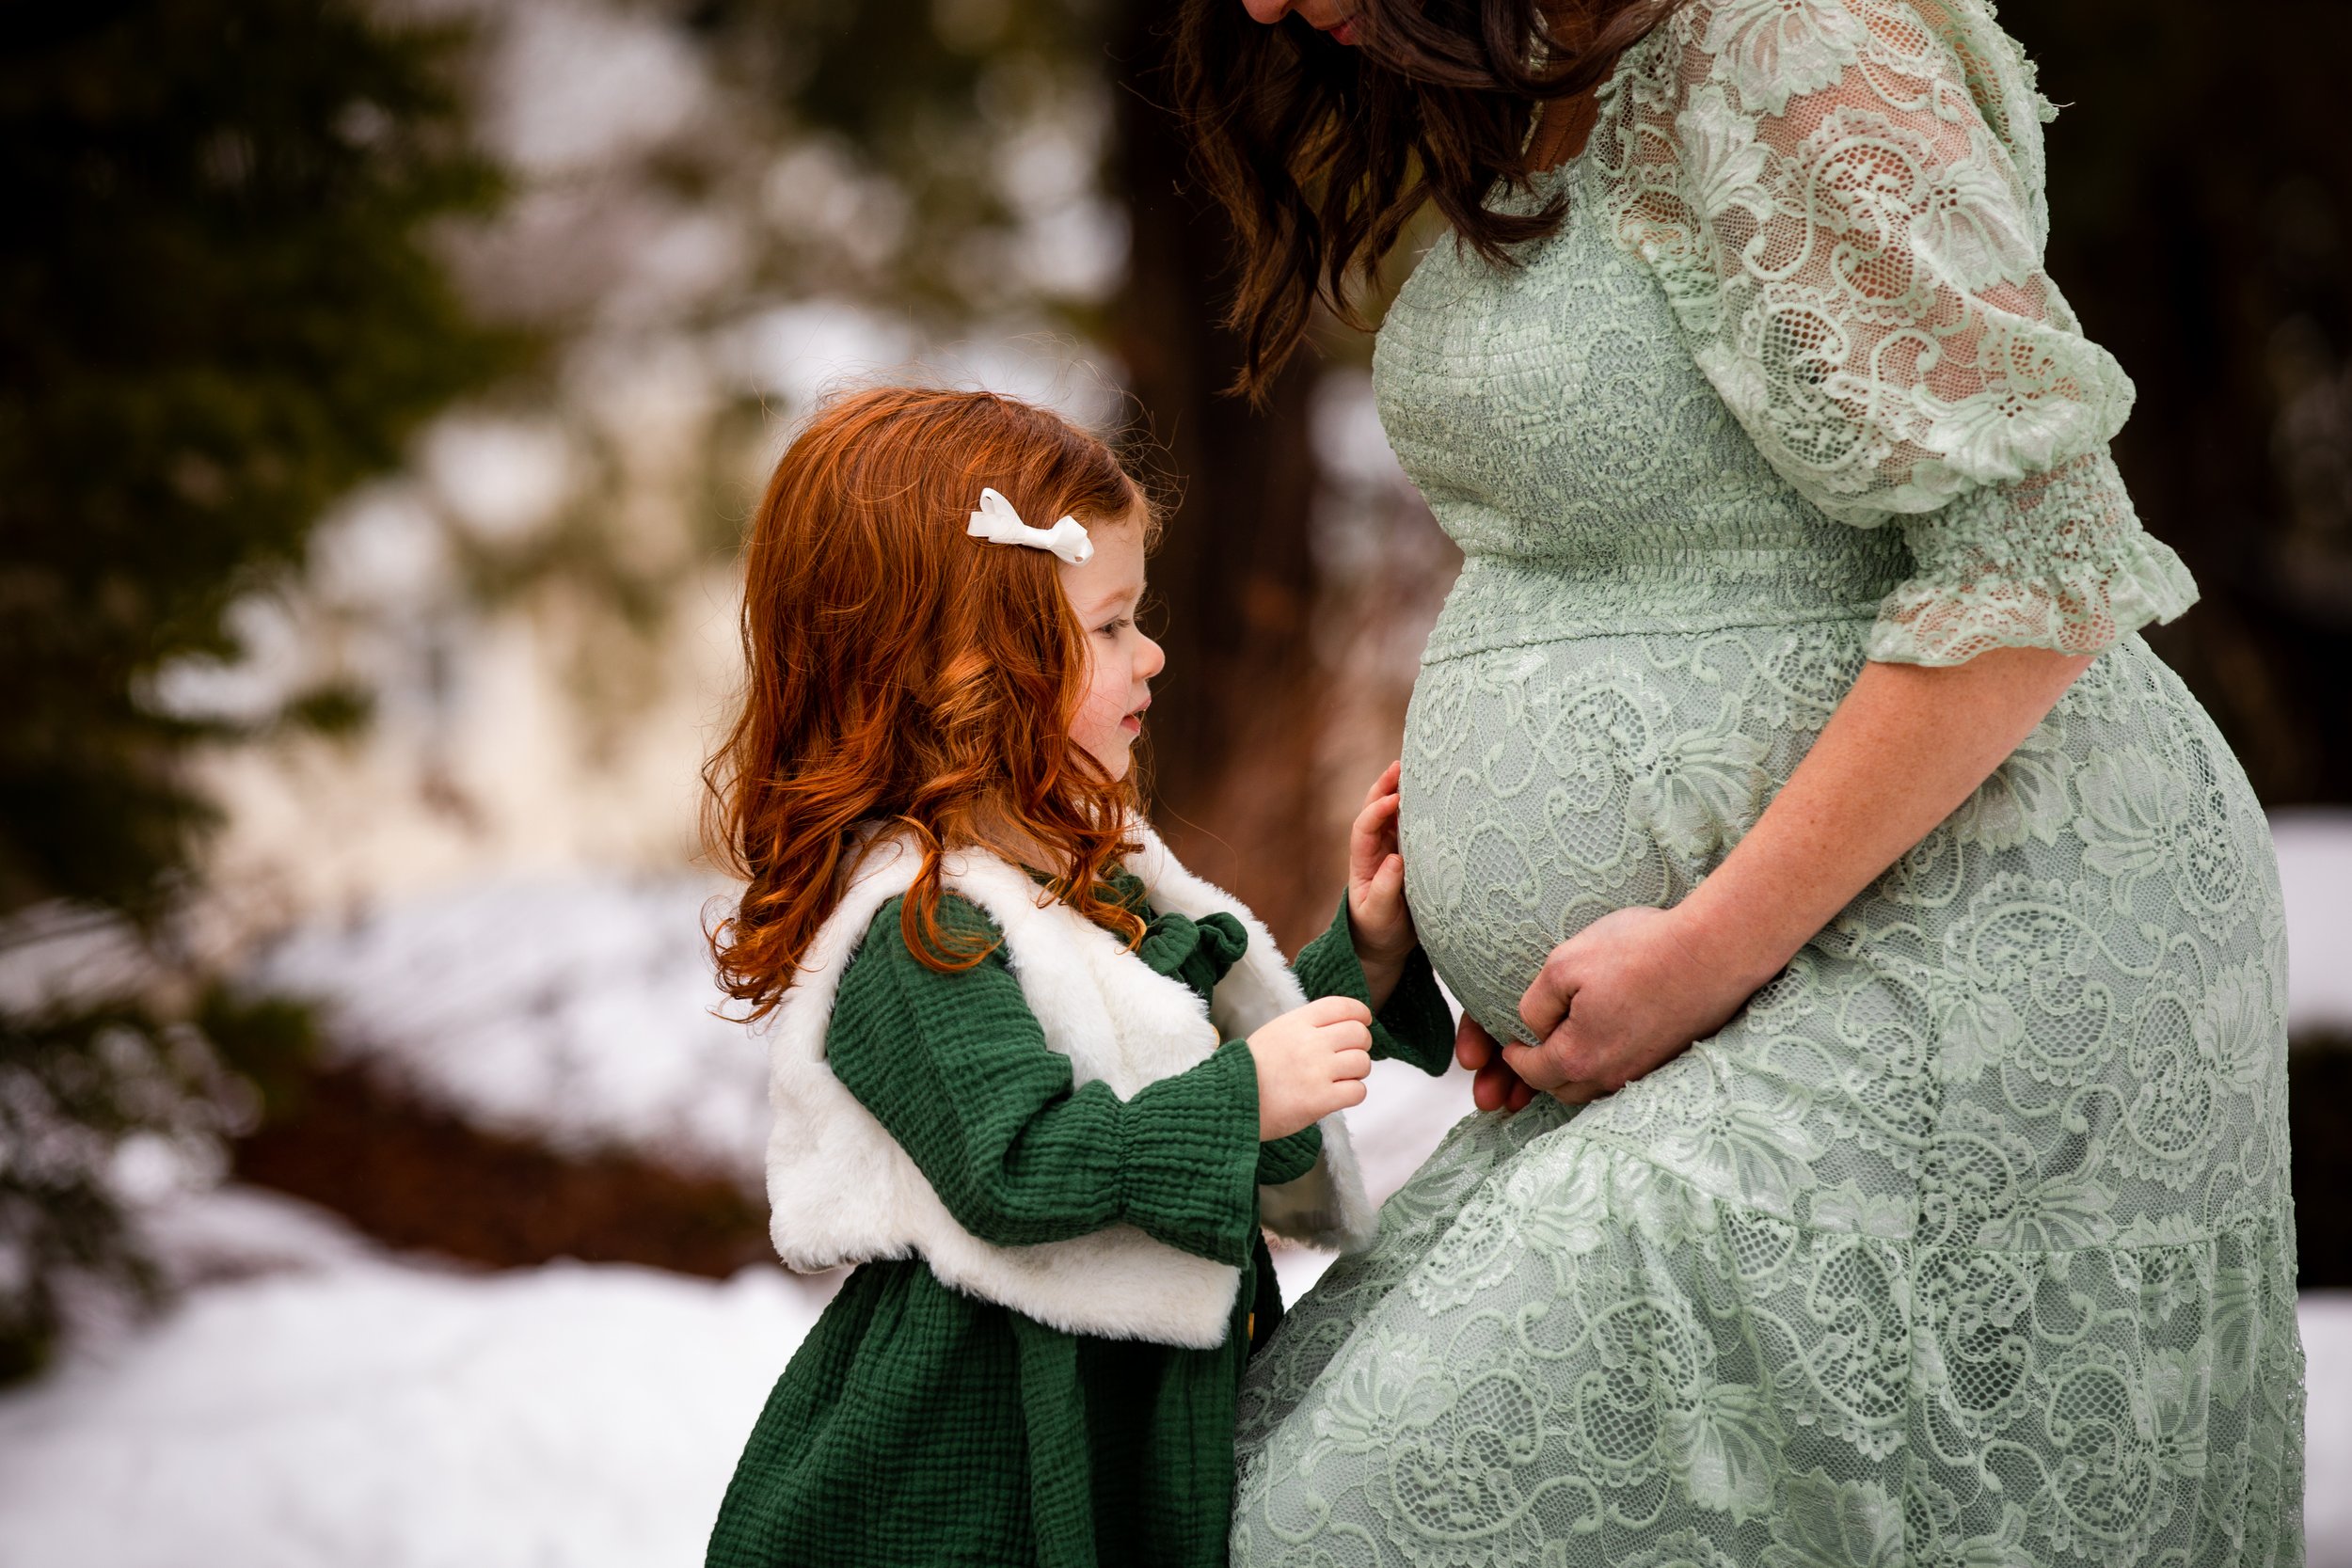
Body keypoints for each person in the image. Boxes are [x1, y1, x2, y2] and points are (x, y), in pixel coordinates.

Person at [1173, 1, 2306, 1563]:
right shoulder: (1545, 86)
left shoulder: (1790, 39)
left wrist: (1700, 947)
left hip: (1958, 955)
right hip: (1712, 1007)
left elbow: (2038, 560)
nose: (1259, 7)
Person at [697, 386, 1456, 1568]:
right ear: (961, 665)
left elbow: (1183, 1060)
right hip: (981, 1432)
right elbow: (1019, 1162)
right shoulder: (916, 928)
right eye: (1108, 627)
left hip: (1122, 1397)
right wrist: (1245, 1095)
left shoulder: (1075, 872)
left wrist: (1363, 952)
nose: (1151, 653)